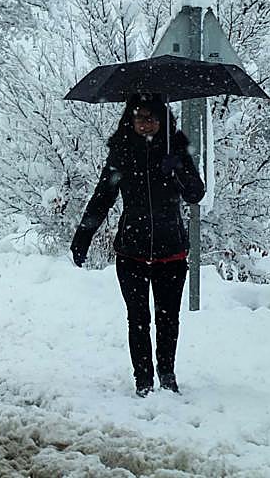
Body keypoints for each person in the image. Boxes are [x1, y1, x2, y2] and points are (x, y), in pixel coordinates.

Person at [70, 94, 205, 397]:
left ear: (163, 120)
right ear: (129, 120)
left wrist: (178, 170)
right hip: (132, 251)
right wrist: (83, 236)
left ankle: (167, 375)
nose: (146, 124)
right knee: (138, 319)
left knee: (168, 319)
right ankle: (143, 380)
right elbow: (102, 197)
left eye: (152, 118)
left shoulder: (175, 149)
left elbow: (196, 194)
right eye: (140, 118)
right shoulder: (122, 154)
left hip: (171, 252)